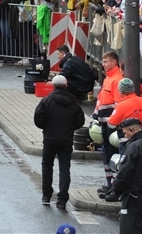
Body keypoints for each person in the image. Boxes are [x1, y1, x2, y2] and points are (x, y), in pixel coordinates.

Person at [33, 75, 84, 211]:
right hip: (66, 140)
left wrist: (47, 127)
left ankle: (46, 195)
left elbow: (38, 119)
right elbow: (80, 121)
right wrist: (69, 128)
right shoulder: (73, 102)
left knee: (47, 166)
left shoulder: (46, 101)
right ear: (66, 86)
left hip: (49, 139)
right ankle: (62, 199)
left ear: (53, 86)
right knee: (64, 169)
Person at [94, 51, 124, 195]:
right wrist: (95, 116)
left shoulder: (116, 80)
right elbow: (101, 100)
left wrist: (112, 123)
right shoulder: (108, 78)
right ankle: (109, 183)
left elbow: (118, 105)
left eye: (106, 61)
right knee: (106, 153)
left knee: (111, 154)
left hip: (111, 125)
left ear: (114, 62)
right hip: (104, 123)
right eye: (103, 61)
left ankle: (114, 186)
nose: (103, 64)